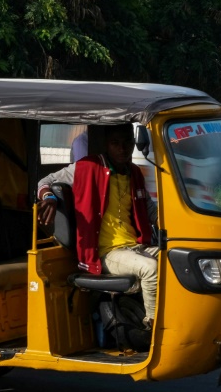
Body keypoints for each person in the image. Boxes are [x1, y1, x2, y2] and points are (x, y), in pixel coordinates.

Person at [37, 124, 159, 328]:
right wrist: (49, 197)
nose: (122, 149)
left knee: (176, 260)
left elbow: (151, 211)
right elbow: (45, 181)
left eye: (127, 143)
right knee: (150, 269)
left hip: (136, 247)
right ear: (106, 145)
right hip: (107, 252)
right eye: (115, 143)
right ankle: (153, 327)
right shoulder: (87, 167)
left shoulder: (134, 173)